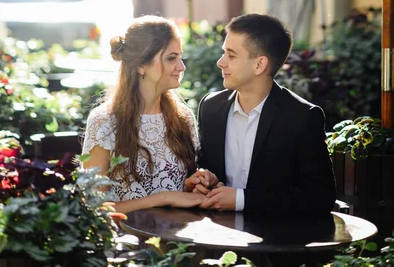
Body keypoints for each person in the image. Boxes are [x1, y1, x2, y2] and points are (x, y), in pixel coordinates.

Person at [186, 13, 336, 214]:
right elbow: (205, 166)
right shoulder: (211, 107)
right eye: (224, 53)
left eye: (231, 55)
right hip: (215, 234)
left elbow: (320, 196)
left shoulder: (302, 117)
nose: (221, 62)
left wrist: (242, 199)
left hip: (276, 239)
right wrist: (203, 180)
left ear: (259, 65)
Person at [82, 15, 204, 214]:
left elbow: (182, 191)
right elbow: (94, 209)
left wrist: (194, 183)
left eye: (180, 57)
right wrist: (163, 198)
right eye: (171, 58)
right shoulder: (104, 121)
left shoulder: (184, 118)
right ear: (141, 65)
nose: (181, 67)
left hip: (181, 239)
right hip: (127, 240)